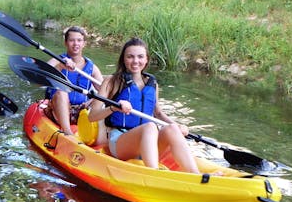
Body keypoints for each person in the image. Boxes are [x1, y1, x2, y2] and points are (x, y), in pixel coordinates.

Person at [88, 37, 200, 173]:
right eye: (130, 57)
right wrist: (113, 108)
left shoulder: (152, 84)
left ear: (146, 59)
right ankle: (154, 174)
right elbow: (92, 116)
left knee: (172, 128)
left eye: (140, 57)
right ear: (124, 59)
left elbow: (158, 113)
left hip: (148, 141)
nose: (136, 61)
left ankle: (197, 176)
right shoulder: (112, 81)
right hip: (120, 142)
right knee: (151, 127)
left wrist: (178, 125)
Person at [46, 26, 103, 135]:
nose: (76, 44)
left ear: (84, 43)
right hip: (58, 109)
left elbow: (104, 89)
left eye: (79, 40)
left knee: (102, 96)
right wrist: (59, 66)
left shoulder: (92, 67)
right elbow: (43, 77)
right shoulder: (56, 60)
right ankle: (68, 133)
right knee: (62, 92)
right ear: (66, 43)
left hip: (82, 111)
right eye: (72, 40)